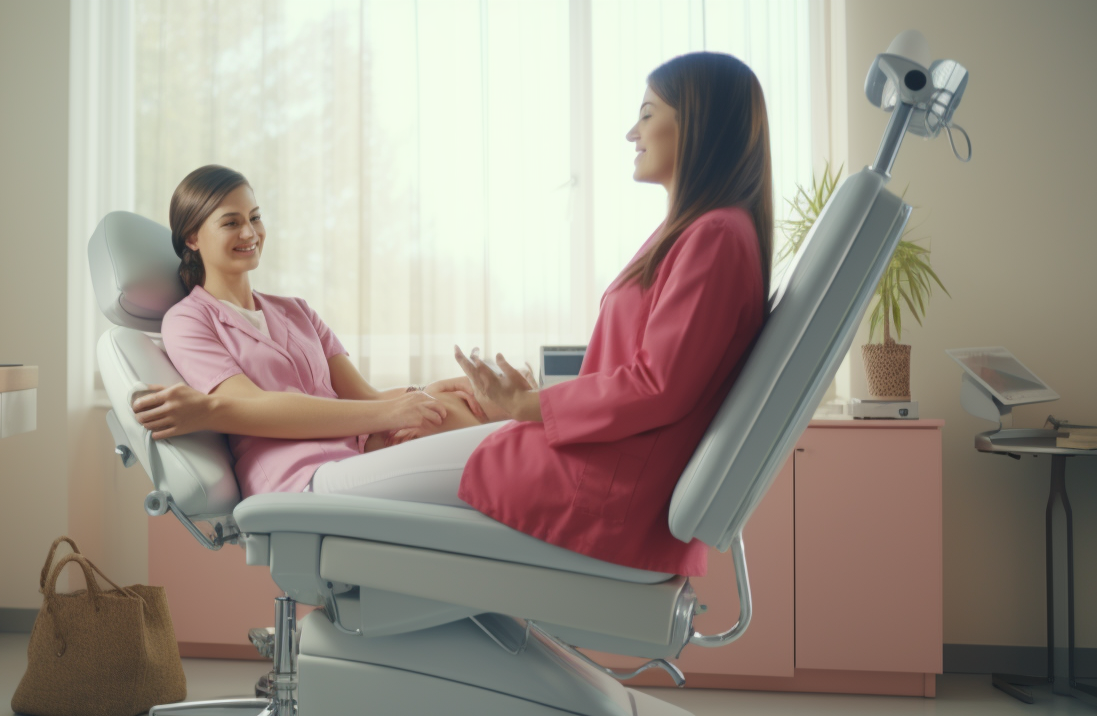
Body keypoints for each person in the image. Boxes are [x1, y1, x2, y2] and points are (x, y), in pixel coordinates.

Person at [301, 51, 773, 578]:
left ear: (699, 123)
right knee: (350, 485)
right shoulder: (704, 233)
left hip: (598, 486)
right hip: (592, 463)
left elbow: (656, 386)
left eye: (646, 113)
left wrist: (527, 404)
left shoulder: (714, 236)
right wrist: (521, 406)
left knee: (330, 490)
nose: (631, 133)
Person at [130, 165, 499, 497]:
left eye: (255, 217)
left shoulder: (296, 310)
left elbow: (362, 396)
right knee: (506, 449)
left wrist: (422, 392)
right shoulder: (188, 320)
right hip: (300, 476)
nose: (250, 232)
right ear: (192, 238)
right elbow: (248, 408)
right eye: (231, 222)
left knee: (472, 411)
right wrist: (395, 415)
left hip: (355, 455)